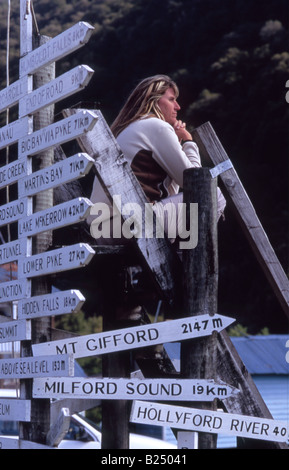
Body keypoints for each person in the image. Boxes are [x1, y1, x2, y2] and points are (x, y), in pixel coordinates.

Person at [88, 75, 225, 245]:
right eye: (171, 99)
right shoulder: (156, 126)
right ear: (153, 101)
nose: (178, 106)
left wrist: (176, 146)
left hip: (106, 228)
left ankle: (179, 257)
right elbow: (195, 183)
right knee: (213, 196)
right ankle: (188, 261)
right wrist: (189, 142)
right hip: (123, 224)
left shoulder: (132, 127)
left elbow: (170, 192)